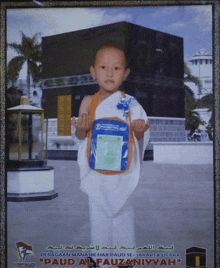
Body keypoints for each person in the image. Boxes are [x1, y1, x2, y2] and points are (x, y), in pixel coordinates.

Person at [72, 44, 150, 266]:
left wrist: (138, 131)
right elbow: (79, 136)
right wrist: (81, 127)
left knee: (123, 214)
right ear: (93, 71)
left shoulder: (128, 102)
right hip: (97, 169)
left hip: (121, 171)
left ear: (125, 74)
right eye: (103, 67)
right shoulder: (89, 102)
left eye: (116, 68)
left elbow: (140, 135)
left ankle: (125, 260)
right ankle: (99, 259)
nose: (109, 73)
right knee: (98, 215)